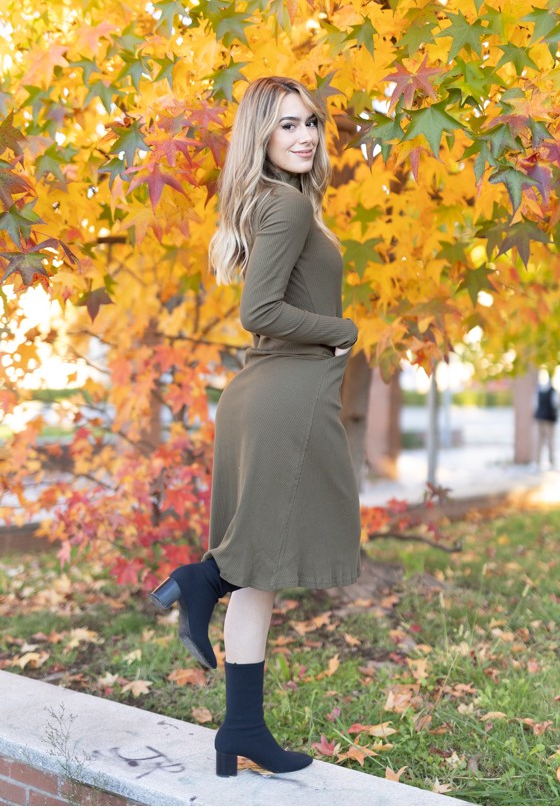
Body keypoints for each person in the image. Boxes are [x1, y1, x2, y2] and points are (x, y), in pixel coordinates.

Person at [150, 77, 360, 777]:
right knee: (253, 560)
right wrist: (342, 329)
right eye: (287, 126)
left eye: (311, 124)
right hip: (284, 399)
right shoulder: (289, 209)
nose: (305, 137)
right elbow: (259, 311)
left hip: (262, 396)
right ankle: (201, 579)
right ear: (262, 138)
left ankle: (239, 730)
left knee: (258, 572)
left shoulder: (276, 201)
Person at [534, 372, 559, 470]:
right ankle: (543, 461)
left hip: (545, 418)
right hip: (546, 418)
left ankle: (548, 461)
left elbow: (534, 404)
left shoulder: (540, 390)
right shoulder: (549, 391)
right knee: (545, 441)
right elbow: (556, 404)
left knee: (546, 441)